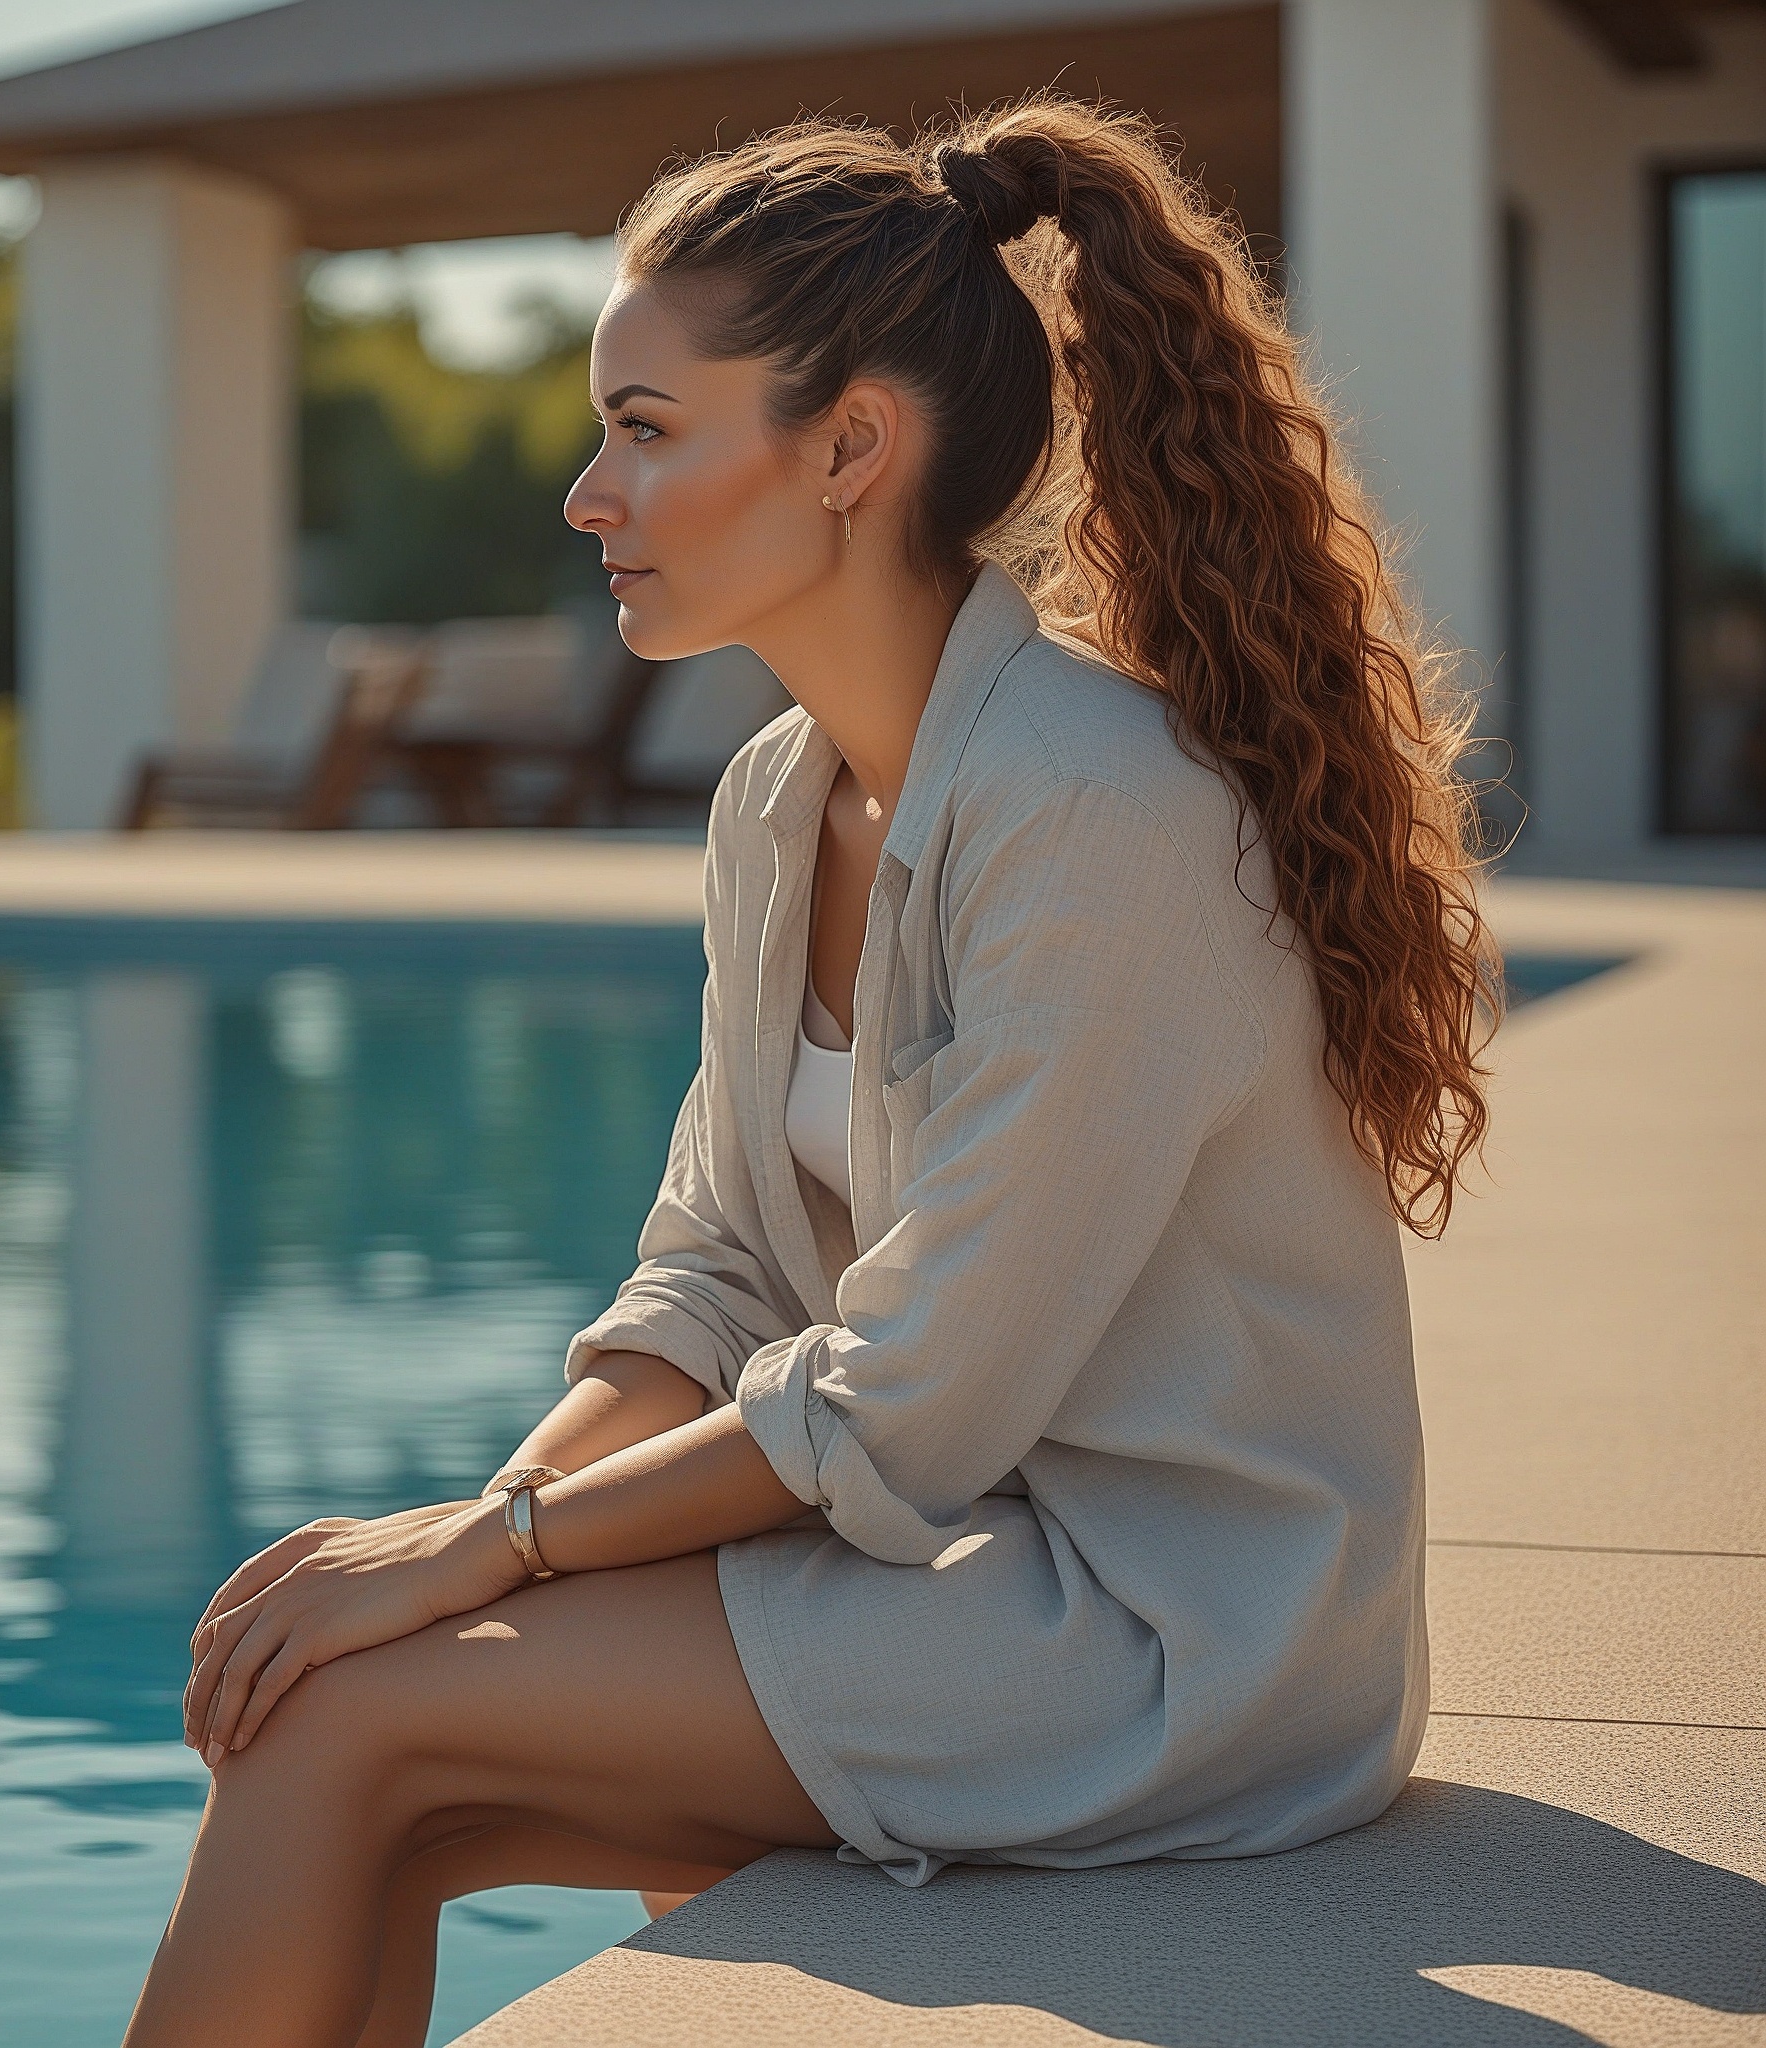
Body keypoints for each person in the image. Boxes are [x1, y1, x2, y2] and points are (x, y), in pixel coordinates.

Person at [124, 95, 1497, 2048]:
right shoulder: (778, 801)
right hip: (962, 1557)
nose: (588, 495)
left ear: (850, 445)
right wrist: (473, 1535)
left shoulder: (1096, 812)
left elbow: (907, 1399)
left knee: (349, 1714)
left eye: (647, 429)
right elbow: (712, 1277)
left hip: (1176, 1636)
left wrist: (478, 1553)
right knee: (352, 1745)